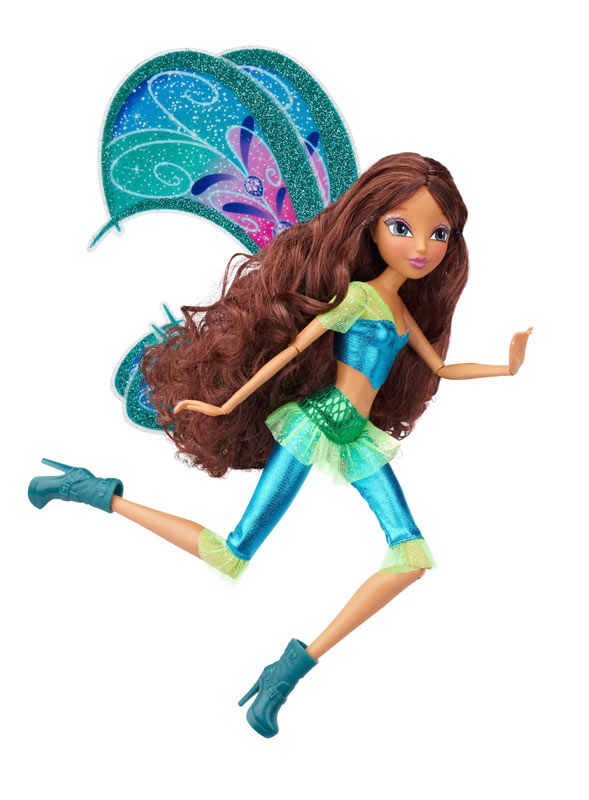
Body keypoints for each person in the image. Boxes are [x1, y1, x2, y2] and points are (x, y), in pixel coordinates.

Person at [28, 152, 532, 737]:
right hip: (314, 425)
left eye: (438, 234)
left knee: (411, 558)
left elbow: (440, 369)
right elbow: (294, 351)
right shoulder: (359, 297)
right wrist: (224, 405)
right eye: (403, 227)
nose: (421, 246)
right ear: (371, 226)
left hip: (356, 439)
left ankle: (287, 671)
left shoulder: (401, 309)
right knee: (233, 554)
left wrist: (507, 366)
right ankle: (94, 492)